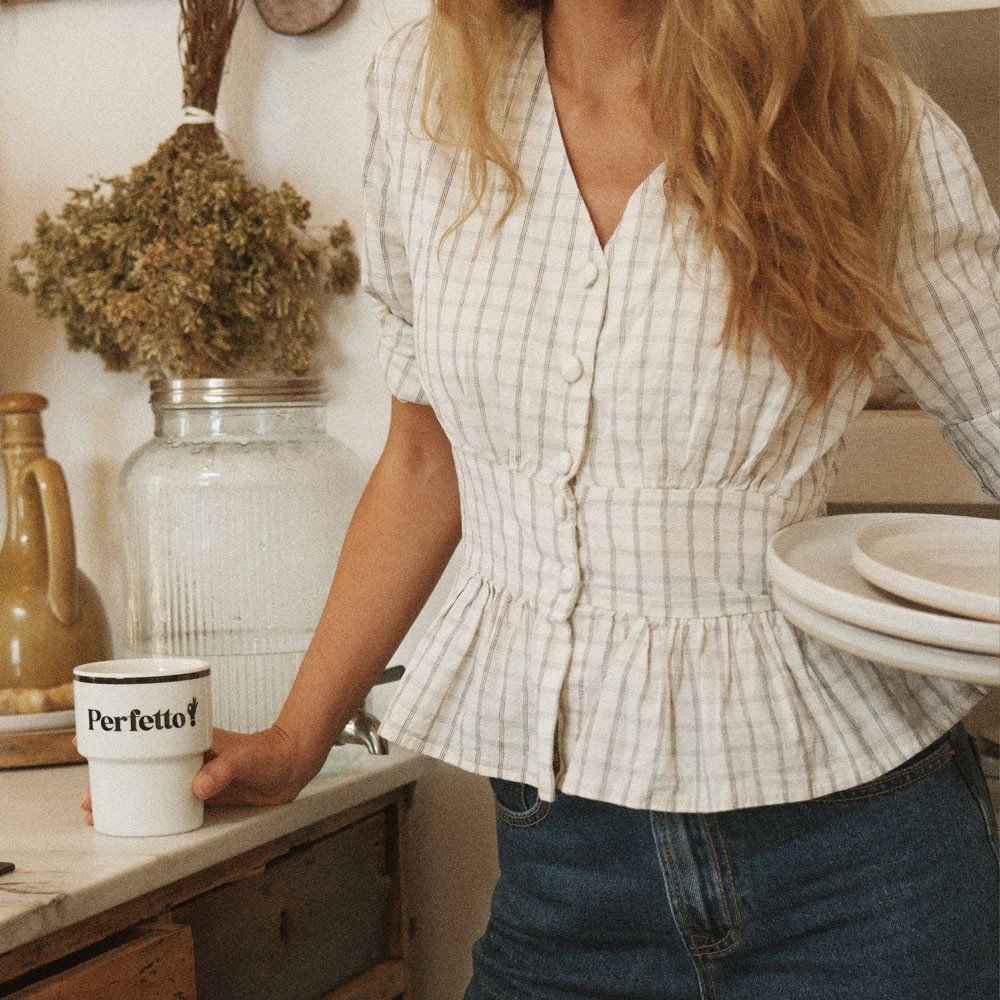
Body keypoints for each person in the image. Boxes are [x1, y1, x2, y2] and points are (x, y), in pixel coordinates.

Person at [84, 1, 1000, 995]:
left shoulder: (860, 116)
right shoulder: (426, 91)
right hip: (565, 868)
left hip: (858, 867)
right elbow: (426, 461)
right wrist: (298, 737)